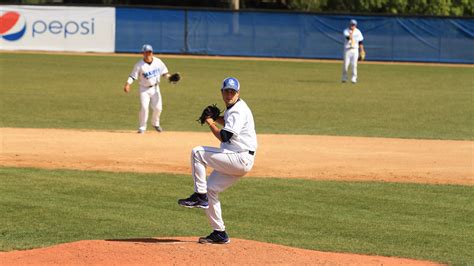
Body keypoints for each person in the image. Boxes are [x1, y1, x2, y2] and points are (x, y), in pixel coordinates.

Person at [178, 77, 257, 244]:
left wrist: (210, 122)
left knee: (197, 152)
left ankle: (199, 196)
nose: (229, 94)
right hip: (239, 158)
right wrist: (217, 117)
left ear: (238, 93)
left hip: (238, 157)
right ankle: (219, 233)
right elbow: (228, 122)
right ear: (221, 92)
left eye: (232, 92)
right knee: (211, 190)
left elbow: (225, 135)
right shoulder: (234, 107)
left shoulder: (238, 110)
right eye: (226, 91)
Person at [123, 44, 177, 133]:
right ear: (143, 53)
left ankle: (155, 124)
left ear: (152, 52)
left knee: (158, 108)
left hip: (155, 88)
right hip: (144, 89)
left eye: (150, 52)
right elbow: (133, 76)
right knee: (144, 107)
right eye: (146, 52)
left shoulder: (158, 62)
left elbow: (164, 73)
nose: (148, 54)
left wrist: (170, 77)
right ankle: (142, 127)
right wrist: (128, 84)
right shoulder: (139, 65)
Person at [342, 19, 365, 84]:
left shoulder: (358, 32)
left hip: (355, 49)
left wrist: (362, 51)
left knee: (354, 65)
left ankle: (354, 79)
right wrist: (351, 33)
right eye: (351, 24)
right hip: (347, 49)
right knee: (346, 65)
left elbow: (360, 42)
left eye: (354, 25)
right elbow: (348, 38)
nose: (352, 26)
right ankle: (344, 78)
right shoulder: (346, 31)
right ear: (349, 24)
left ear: (356, 25)